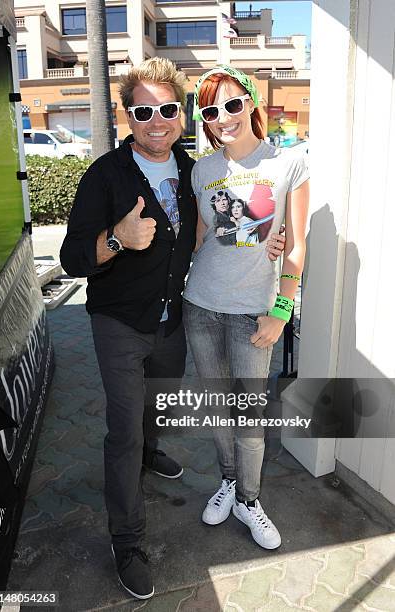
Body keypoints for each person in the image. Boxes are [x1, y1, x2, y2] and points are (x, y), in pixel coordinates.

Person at [60, 57, 285, 600]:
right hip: (119, 322)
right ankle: (128, 541)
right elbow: (70, 258)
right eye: (142, 111)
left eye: (166, 109)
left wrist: (270, 246)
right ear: (127, 115)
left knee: (154, 404)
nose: (155, 121)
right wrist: (116, 238)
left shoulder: (193, 170)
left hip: (174, 318)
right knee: (123, 428)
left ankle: (148, 452)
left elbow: (226, 228)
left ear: (181, 115)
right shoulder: (105, 175)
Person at [183, 65, 309, 550]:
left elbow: (296, 247)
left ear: (252, 104)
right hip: (201, 306)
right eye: (212, 111)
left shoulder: (289, 162)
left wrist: (281, 311)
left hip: (253, 314)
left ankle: (250, 500)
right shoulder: (203, 170)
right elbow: (200, 239)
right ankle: (229, 482)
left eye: (233, 104)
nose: (223, 117)